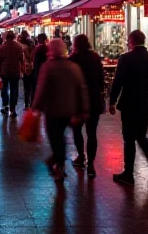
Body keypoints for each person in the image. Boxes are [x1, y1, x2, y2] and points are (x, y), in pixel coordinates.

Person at [108, 30, 148, 190]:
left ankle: (128, 174)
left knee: (129, 138)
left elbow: (118, 81)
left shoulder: (126, 59)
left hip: (129, 102)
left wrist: (112, 101)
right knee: (141, 135)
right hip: (147, 103)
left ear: (131, 41)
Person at [31, 39, 89, 180]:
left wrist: (35, 107)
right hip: (69, 109)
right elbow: (82, 89)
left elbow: (41, 89)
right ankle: (58, 163)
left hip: (52, 109)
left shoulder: (47, 67)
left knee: (55, 138)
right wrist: (84, 109)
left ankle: (58, 163)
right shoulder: (74, 66)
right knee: (61, 137)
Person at [69, 34, 105, 178]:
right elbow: (101, 79)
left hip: (78, 101)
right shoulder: (95, 58)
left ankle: (81, 156)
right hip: (94, 100)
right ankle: (91, 164)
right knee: (92, 133)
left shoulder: (72, 59)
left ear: (75, 44)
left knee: (77, 130)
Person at [0, 30, 25, 116]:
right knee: (14, 89)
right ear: (13, 37)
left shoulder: (2, 46)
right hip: (15, 70)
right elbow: (21, 59)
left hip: (5, 70)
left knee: (4, 88)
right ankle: (13, 109)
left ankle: (5, 106)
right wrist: (23, 67)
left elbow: (0, 60)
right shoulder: (18, 46)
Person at [19, 31, 36, 107]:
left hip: (25, 67)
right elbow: (31, 57)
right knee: (32, 85)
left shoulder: (20, 45)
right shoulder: (31, 44)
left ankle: (26, 103)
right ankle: (31, 102)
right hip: (32, 66)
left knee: (26, 86)